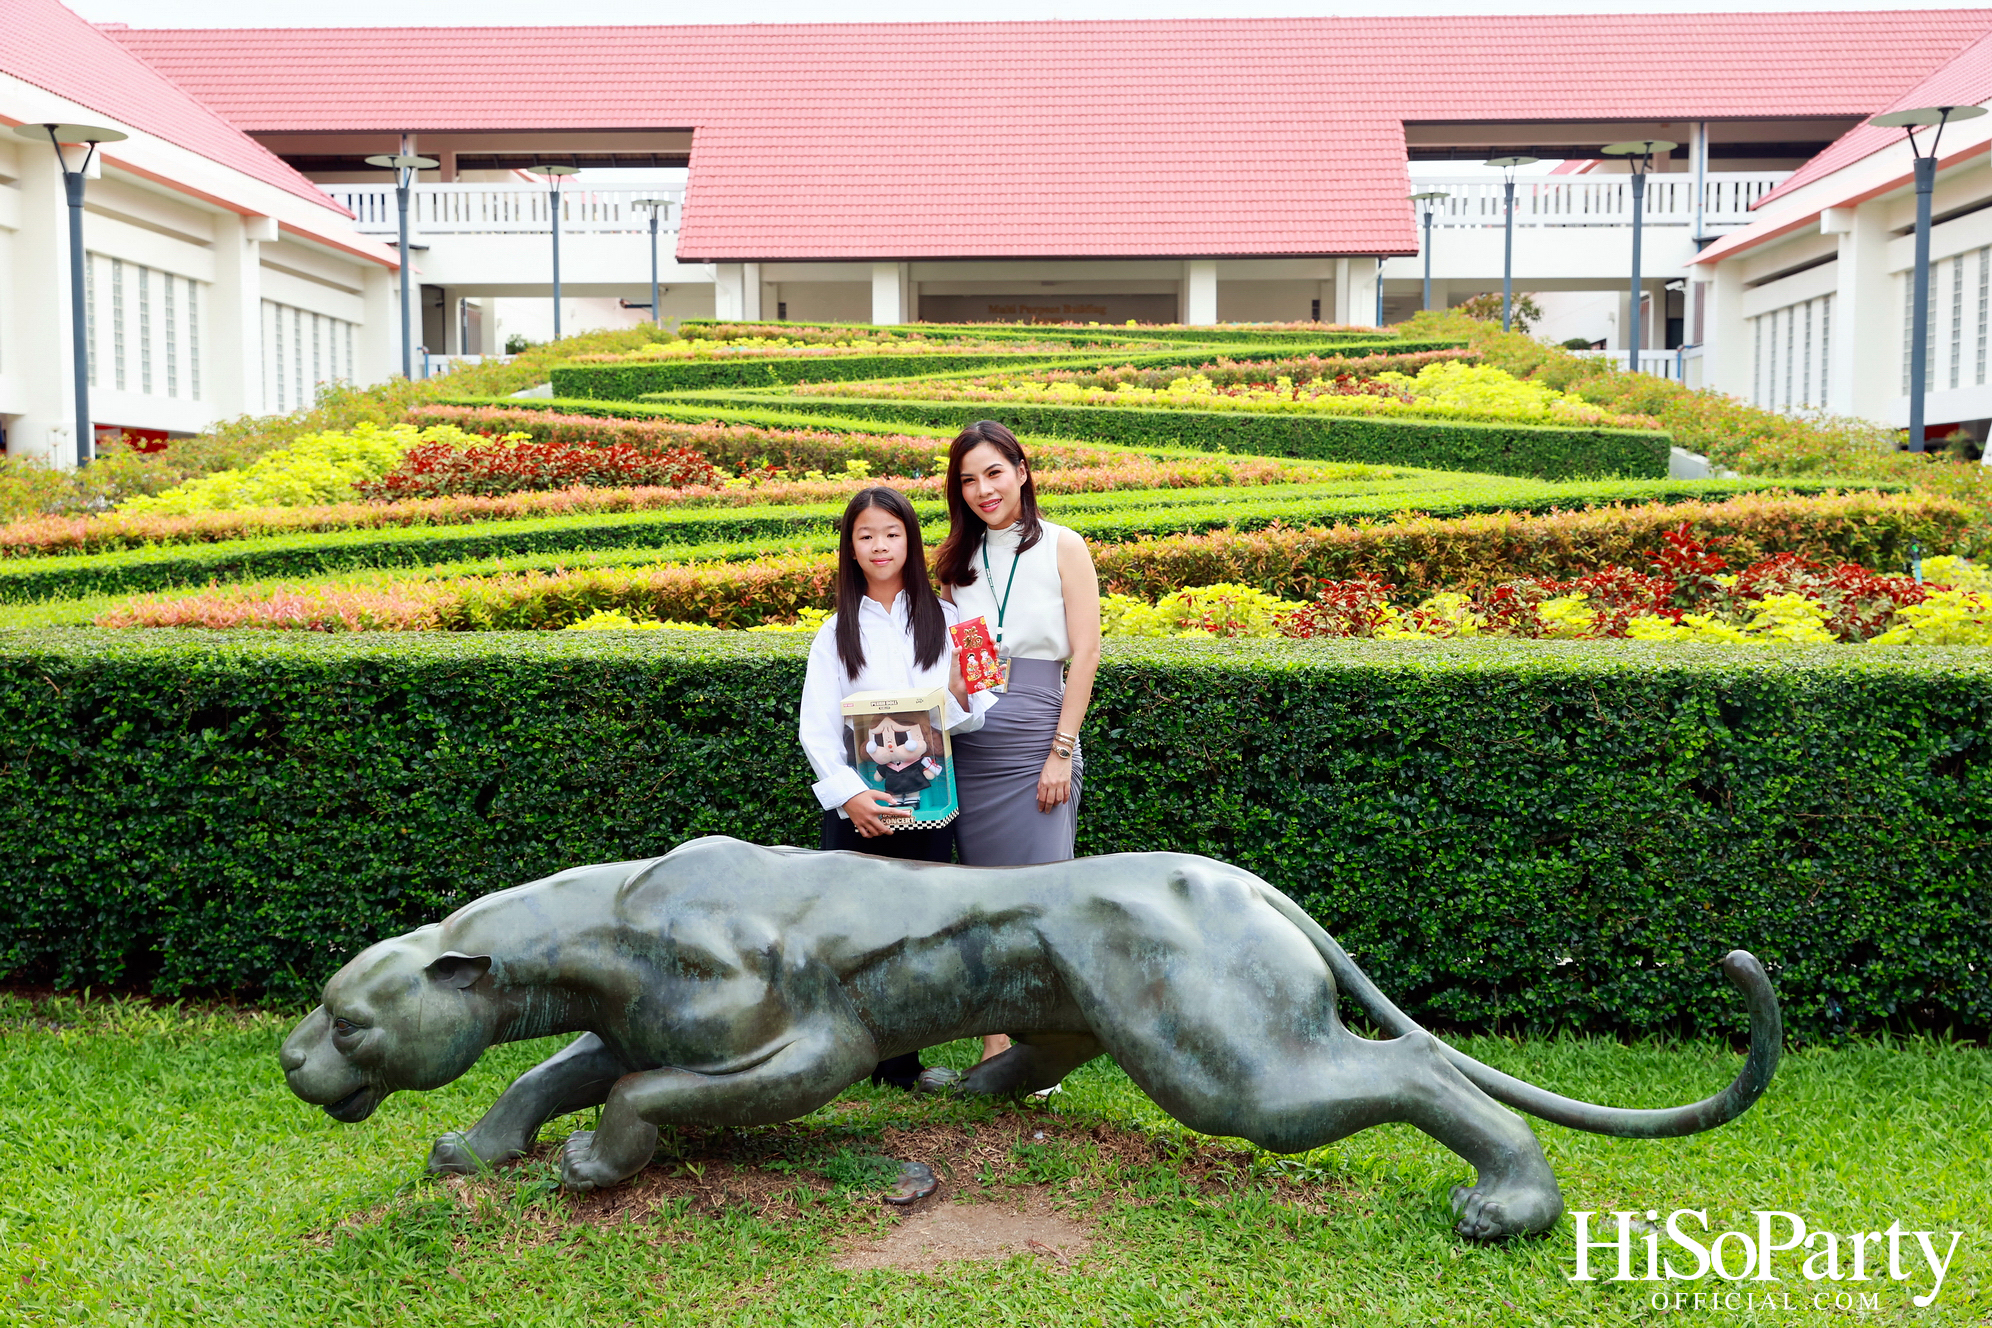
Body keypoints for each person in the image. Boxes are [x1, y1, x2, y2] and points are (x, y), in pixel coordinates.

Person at [797, 485, 990, 1090]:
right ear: (850, 550)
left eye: (892, 534)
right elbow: (817, 729)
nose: (880, 546)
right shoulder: (834, 632)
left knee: (919, 931)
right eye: (866, 536)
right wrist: (849, 794)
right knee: (850, 931)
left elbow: (981, 706)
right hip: (858, 806)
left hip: (930, 801)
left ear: (911, 541)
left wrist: (957, 696)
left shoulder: (956, 617)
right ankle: (837, 1057)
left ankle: (903, 1065)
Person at [934, 420, 1103, 1069]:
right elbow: (968, 656)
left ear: (1022, 470)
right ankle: (994, 1043)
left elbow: (1085, 653)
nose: (983, 489)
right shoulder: (958, 561)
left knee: (1042, 896)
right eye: (968, 480)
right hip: (976, 737)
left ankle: (1042, 1051)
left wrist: (1062, 749)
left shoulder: (1064, 546)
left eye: (993, 473)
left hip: (1039, 730)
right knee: (982, 899)